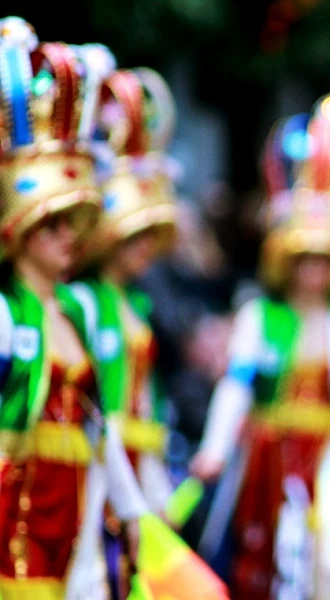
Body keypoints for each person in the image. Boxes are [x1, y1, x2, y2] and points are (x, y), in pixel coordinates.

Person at [189, 93, 330, 599]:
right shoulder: (260, 318)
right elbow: (236, 386)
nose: (314, 271)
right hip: (271, 457)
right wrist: (215, 447)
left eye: (324, 261)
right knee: (270, 559)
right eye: (305, 259)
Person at [0, 22, 148, 597]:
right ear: (21, 227)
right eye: (51, 224)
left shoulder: (79, 310)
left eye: (73, 222)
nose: (68, 237)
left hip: (79, 508)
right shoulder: (6, 313)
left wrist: (130, 510)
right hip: (16, 508)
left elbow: (99, 424)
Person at [68, 66, 180, 593]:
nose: (144, 248)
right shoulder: (85, 303)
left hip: (139, 462)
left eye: (150, 235)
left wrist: (154, 483)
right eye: (134, 235)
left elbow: (147, 399)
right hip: (99, 467)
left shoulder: (136, 303)